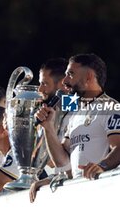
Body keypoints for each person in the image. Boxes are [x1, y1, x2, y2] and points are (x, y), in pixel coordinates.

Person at [35, 53, 120, 180]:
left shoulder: (111, 107)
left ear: (88, 77)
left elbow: (119, 150)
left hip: (104, 187)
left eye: (71, 74)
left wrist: (101, 166)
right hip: (78, 188)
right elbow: (62, 162)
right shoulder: (75, 113)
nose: (65, 81)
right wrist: (48, 127)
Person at [28, 58, 71, 203]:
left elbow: (71, 168)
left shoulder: (77, 113)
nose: (40, 89)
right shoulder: (52, 115)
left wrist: (48, 180)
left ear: (62, 85)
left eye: (44, 84)